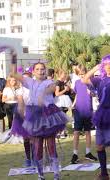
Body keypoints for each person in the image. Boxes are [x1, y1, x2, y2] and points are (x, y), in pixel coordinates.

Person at [10, 51, 68, 180]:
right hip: (34, 115)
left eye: (42, 69)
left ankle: (56, 174)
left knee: (51, 145)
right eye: (38, 69)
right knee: (37, 146)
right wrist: (14, 60)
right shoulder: (29, 81)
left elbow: (53, 87)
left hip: (48, 115)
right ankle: (41, 175)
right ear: (34, 71)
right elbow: (14, 74)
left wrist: (43, 94)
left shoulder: (48, 82)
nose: (40, 71)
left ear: (45, 71)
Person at [70, 65, 98, 164]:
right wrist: (73, 104)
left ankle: (88, 152)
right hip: (78, 110)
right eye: (80, 74)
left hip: (88, 111)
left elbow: (95, 94)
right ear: (78, 74)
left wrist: (91, 93)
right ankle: (75, 154)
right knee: (76, 132)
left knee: (88, 132)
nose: (82, 76)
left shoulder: (90, 82)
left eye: (83, 74)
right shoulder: (77, 83)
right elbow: (77, 94)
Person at [10, 72, 33, 167]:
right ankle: (28, 158)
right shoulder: (20, 91)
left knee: (34, 138)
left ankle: (36, 157)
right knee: (26, 138)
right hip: (23, 114)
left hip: (34, 114)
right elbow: (20, 104)